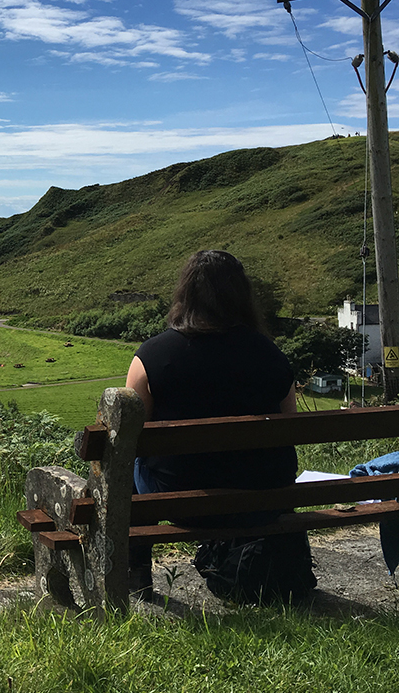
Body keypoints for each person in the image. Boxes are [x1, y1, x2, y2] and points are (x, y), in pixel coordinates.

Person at [125, 249, 298, 599]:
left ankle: (137, 574)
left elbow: (128, 437)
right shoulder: (271, 355)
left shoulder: (151, 356)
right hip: (261, 500)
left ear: (184, 294)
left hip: (180, 503)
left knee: (129, 464)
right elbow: (290, 425)